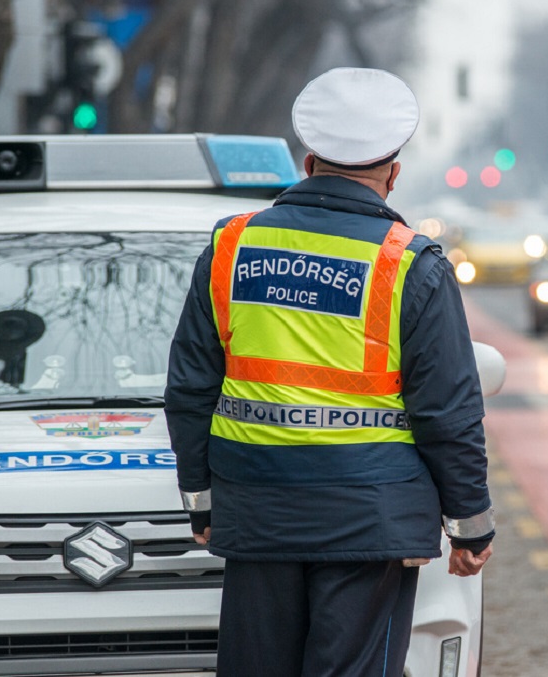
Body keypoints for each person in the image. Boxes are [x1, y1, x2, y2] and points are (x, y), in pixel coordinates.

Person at [164, 67, 494, 677]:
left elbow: (189, 388)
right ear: (392, 174)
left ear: (308, 163)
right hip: (370, 523)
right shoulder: (410, 264)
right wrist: (470, 526)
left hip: (257, 514)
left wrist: (203, 504)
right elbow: (446, 411)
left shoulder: (231, 248)